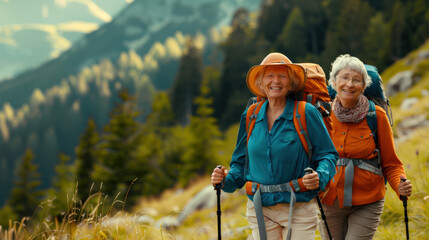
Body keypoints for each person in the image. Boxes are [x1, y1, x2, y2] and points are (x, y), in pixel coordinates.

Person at [211, 52, 338, 240]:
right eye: (269, 76)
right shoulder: (250, 116)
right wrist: (224, 180)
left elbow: (328, 155)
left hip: (299, 207)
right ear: (261, 84)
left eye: (282, 76)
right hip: (260, 209)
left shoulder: (306, 113)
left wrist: (320, 176)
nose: (275, 81)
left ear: (291, 83)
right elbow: (240, 165)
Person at [319, 54, 413, 240]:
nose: (350, 84)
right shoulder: (323, 115)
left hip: (368, 201)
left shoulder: (376, 116)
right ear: (333, 82)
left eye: (357, 80)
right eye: (344, 77)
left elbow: (391, 163)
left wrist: (400, 184)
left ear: (364, 86)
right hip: (330, 200)